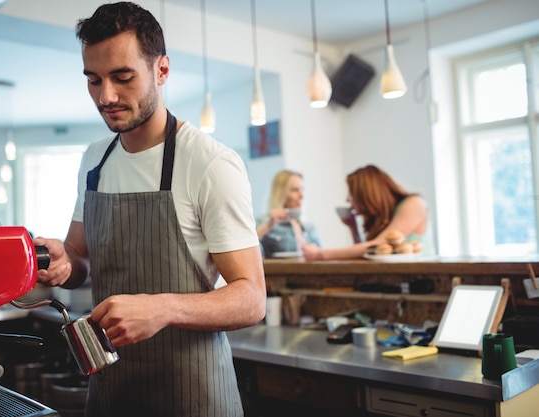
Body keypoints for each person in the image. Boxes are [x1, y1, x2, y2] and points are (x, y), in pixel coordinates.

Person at [33, 3, 265, 416]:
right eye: (93, 80)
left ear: (162, 70)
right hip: (111, 393)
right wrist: (64, 264)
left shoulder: (210, 164)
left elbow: (251, 298)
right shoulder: (94, 160)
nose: (106, 96)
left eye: (123, 77)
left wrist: (164, 307)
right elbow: (81, 258)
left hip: (192, 395)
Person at [302, 164, 432, 260]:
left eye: (351, 193)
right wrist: (353, 228)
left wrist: (321, 254)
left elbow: (381, 243)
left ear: (366, 194)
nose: (347, 199)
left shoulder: (414, 204)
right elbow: (369, 253)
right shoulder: (381, 217)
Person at [256, 169, 320, 257]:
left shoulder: (309, 227)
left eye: (302, 189)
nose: (302, 195)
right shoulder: (264, 222)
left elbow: (320, 257)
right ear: (281, 193)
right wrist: (268, 225)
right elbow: (249, 247)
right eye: (294, 190)